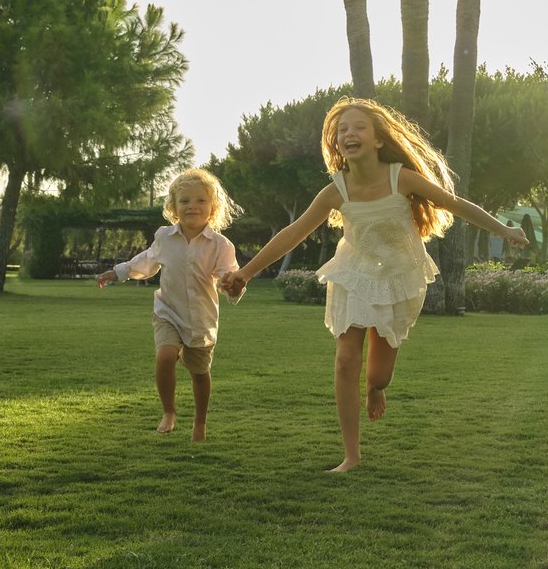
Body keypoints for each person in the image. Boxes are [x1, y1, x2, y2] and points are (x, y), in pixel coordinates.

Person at [220, 97, 529, 473]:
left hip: (398, 277)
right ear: (337, 143)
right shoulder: (336, 190)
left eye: (359, 127)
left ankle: (376, 388)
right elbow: (293, 233)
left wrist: (504, 229)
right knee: (346, 360)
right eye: (342, 130)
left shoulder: (402, 177)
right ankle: (351, 455)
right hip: (354, 274)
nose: (349, 133)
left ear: (379, 139)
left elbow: (456, 204)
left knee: (379, 374)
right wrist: (246, 273)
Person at [97, 168, 242, 442]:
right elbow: (146, 261)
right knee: (165, 356)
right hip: (168, 312)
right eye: (184, 201)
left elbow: (228, 275)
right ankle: (169, 411)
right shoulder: (164, 237)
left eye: (200, 200)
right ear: (174, 207)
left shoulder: (221, 245)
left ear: (212, 207)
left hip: (200, 320)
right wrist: (116, 272)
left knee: (200, 373)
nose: (192, 206)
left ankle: (200, 422)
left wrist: (231, 285)